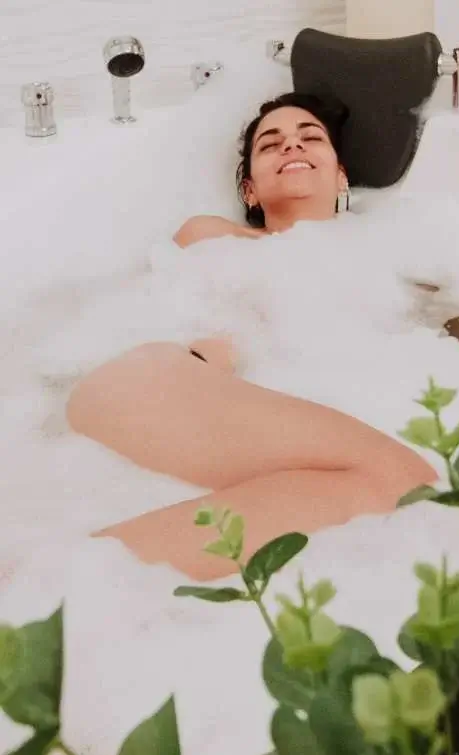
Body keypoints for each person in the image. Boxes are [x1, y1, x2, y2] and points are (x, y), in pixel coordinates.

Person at [66, 93, 437, 582]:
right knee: (401, 481)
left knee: (408, 493)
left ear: (341, 174)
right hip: (155, 377)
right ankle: (47, 598)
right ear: (250, 192)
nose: (291, 147)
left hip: (237, 413)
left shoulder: (394, 260)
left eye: (310, 138)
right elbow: (201, 327)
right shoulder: (216, 238)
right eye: (270, 144)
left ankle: (49, 593)